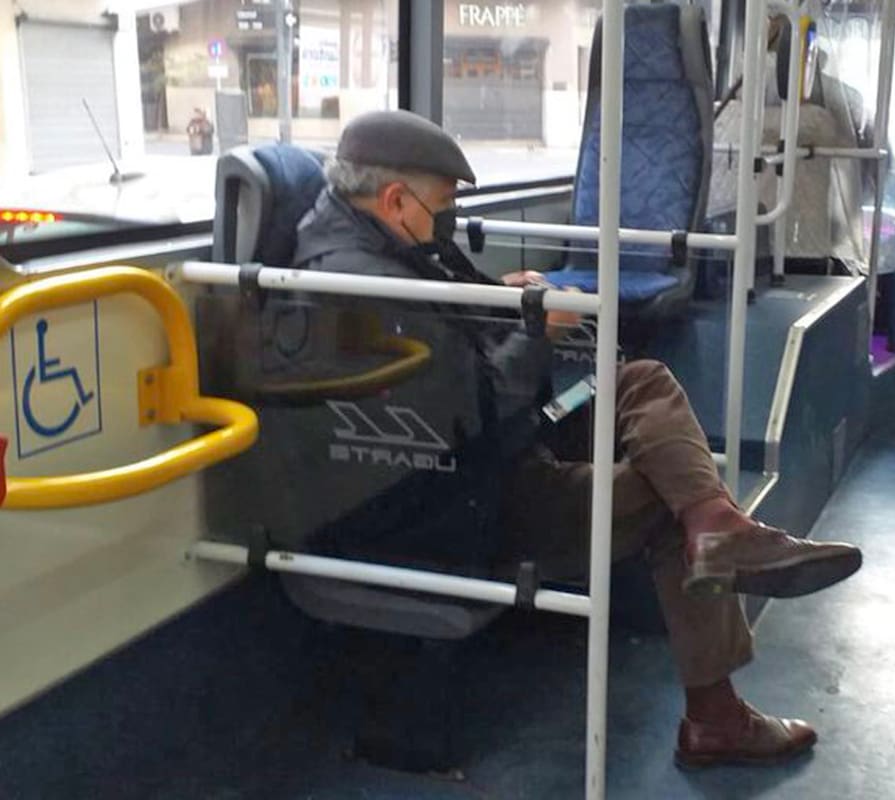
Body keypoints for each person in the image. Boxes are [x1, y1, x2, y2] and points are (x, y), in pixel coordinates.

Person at [291, 110, 863, 767]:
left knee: (640, 381)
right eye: (441, 207)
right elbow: (479, 416)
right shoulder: (365, 287)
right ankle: (716, 708)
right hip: (469, 505)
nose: (444, 223)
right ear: (397, 199)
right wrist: (540, 331)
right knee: (665, 496)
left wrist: (498, 295)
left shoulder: (370, 239)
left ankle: (716, 525)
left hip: (475, 465)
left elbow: (447, 329)